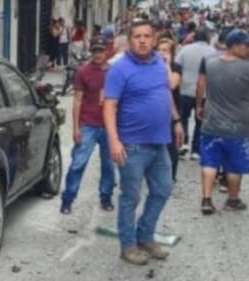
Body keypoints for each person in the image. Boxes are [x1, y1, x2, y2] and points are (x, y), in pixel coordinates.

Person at [103, 21, 185, 266]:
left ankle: (146, 235)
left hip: (159, 142)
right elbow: (109, 106)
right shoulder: (119, 70)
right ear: (130, 40)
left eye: (147, 36)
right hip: (132, 145)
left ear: (153, 39)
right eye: (137, 36)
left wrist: (177, 120)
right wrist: (114, 141)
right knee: (130, 196)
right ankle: (128, 245)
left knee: (163, 189)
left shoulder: (160, 64)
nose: (142, 40)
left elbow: (166, 92)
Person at [194, 30, 249, 215]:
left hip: (212, 123)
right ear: (235, 46)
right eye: (246, 46)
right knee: (234, 165)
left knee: (209, 162)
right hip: (238, 126)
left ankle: (206, 199)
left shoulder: (210, 64)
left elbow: (200, 85)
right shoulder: (248, 68)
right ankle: (233, 199)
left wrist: (199, 105)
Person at [60, 37, 116, 214]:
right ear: (91, 52)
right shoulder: (83, 72)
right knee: (78, 163)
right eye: (95, 51)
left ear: (107, 52)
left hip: (108, 125)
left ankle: (105, 197)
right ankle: (68, 199)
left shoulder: (115, 73)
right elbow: (77, 101)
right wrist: (76, 127)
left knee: (108, 165)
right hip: (88, 124)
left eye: (101, 51)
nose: (98, 54)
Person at [175, 29, 216, 158]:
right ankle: (196, 150)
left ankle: (183, 143)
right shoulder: (212, 52)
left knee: (183, 118)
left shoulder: (185, 50)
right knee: (200, 121)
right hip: (204, 92)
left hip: (185, 89)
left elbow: (177, 67)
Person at [158, 36, 183, 181]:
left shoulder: (176, 67)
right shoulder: (151, 66)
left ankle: (170, 176)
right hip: (157, 110)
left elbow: (171, 85)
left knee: (171, 145)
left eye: (165, 50)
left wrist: (166, 65)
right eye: (159, 50)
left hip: (173, 110)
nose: (162, 53)